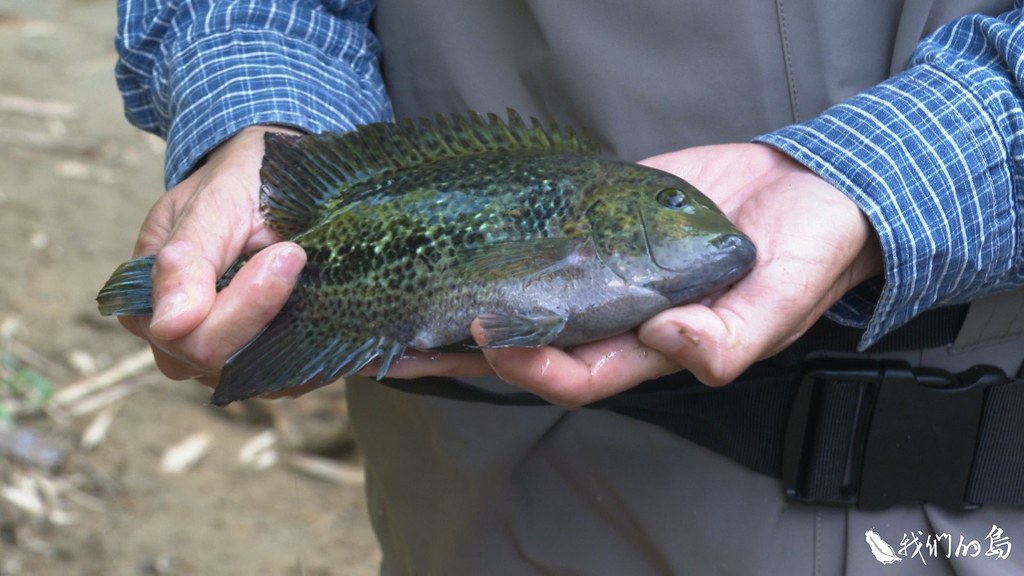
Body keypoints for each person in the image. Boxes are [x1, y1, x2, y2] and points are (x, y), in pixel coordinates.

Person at [113, 0, 1024, 573]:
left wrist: (892, 175)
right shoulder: (589, 218)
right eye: (675, 212)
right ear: (617, 223)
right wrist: (264, 107)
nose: (707, 229)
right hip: (494, 491)